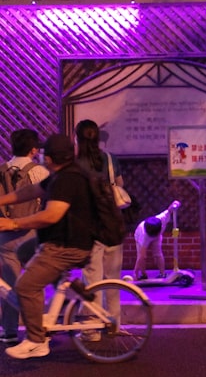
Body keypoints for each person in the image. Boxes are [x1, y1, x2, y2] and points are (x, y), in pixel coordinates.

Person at [0, 133, 96, 359]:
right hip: (59, 240)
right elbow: (29, 191)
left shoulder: (67, 180)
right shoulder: (59, 175)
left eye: (44, 152)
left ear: (50, 158)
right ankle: (67, 290)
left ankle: (37, 340)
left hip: (67, 246)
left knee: (25, 286)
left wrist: (13, 222)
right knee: (24, 251)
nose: (40, 154)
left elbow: (51, 215)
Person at [0, 129, 50, 346]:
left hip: (4, 235)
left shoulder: (1, 170)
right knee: (33, 285)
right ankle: (36, 330)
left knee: (10, 283)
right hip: (32, 233)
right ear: (33, 150)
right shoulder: (41, 173)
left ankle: (9, 330)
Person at [75, 120, 124, 316]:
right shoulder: (110, 160)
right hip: (112, 224)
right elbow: (120, 185)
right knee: (113, 278)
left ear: (77, 138)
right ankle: (114, 323)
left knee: (92, 280)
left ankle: (91, 329)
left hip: (90, 228)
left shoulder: (75, 164)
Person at [133, 201, 181, 280]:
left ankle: (162, 273)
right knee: (142, 257)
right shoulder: (143, 235)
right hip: (141, 236)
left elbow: (169, 210)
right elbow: (142, 256)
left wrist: (175, 204)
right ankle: (143, 274)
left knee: (158, 254)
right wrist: (135, 272)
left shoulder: (161, 218)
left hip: (157, 236)